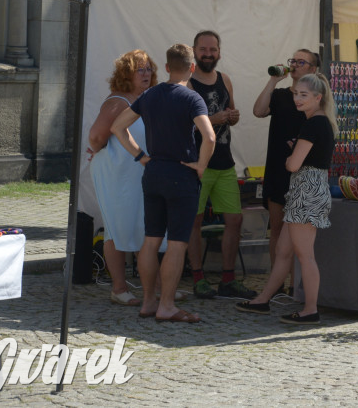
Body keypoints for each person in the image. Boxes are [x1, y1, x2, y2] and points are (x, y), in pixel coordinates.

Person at [111, 43, 215, 323]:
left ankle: (149, 302)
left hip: (154, 172)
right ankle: (166, 305)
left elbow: (117, 127)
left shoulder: (150, 95)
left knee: (151, 239)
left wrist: (141, 157)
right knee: (177, 243)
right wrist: (201, 165)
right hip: (181, 174)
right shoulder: (192, 98)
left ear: (167, 67)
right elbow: (210, 137)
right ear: (192, 68)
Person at [237, 73, 337, 324]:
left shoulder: (314, 123)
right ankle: (263, 299)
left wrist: (290, 156)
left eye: (304, 95)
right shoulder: (318, 122)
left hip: (306, 191)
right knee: (283, 250)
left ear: (318, 97)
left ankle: (310, 310)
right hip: (306, 190)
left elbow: (293, 165)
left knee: (305, 255)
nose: (297, 99)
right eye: (296, 94)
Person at [185, 30, 255, 299]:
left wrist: (232, 116)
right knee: (194, 220)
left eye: (212, 49)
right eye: (203, 49)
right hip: (197, 163)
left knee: (234, 219)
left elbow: (231, 114)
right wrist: (214, 119)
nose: (208, 54)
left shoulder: (225, 79)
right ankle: (198, 278)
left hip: (224, 161)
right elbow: (185, 123)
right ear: (194, 51)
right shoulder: (187, 83)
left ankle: (228, 279)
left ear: (219, 52)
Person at [87, 49, 158, 307]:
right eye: (140, 69)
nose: (146, 74)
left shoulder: (146, 98)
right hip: (117, 173)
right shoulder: (118, 101)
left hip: (137, 173)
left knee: (143, 225)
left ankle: (153, 288)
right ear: (126, 74)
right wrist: (102, 152)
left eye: (148, 68)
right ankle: (119, 288)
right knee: (116, 228)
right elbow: (96, 137)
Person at [253, 49, 319, 281]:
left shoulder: (316, 100)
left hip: (305, 171)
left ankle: (296, 283)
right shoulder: (281, 95)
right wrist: (273, 80)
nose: (295, 65)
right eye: (294, 61)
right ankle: (277, 282)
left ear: (313, 69)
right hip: (278, 168)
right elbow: (258, 111)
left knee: (300, 233)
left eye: (302, 62)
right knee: (277, 228)